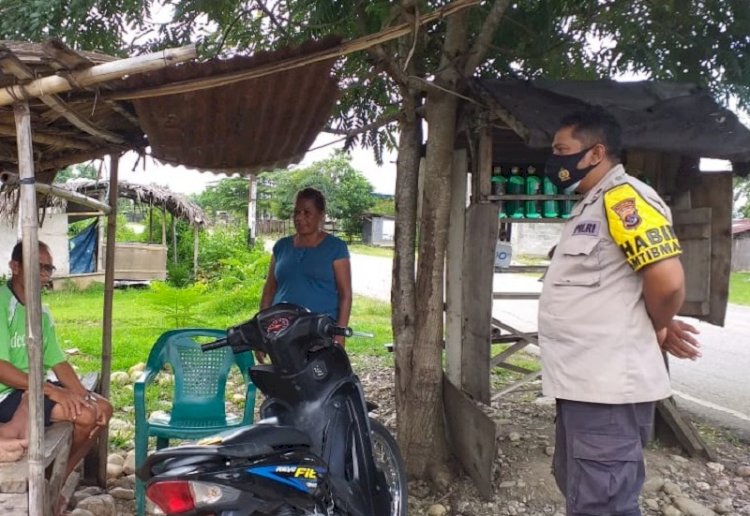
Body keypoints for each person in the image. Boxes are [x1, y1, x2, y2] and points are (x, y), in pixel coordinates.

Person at [539, 108, 701, 516]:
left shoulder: (624, 199)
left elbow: (668, 282)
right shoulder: (589, 205)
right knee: (584, 491)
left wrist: (658, 326)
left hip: (606, 388)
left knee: (603, 503)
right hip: (583, 383)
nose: (553, 159)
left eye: (562, 150)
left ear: (595, 153)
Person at [0, 241, 113, 476]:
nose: (43, 275)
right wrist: (52, 390)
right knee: (85, 415)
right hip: (5, 394)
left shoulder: (40, 311)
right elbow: (1, 368)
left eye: (48, 269)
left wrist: (84, 394)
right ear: (15, 266)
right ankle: (50, 483)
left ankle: (58, 481)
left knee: (103, 409)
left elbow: (59, 363)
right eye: (37, 267)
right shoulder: (2, 303)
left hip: (33, 390)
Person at [260, 187, 352, 358]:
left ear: (321, 215)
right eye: (297, 212)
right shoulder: (282, 246)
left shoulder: (335, 248)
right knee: (282, 382)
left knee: (316, 382)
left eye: (307, 213)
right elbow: (269, 290)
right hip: (281, 333)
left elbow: (345, 294)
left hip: (319, 336)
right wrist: (262, 333)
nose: (299, 218)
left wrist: (339, 335)